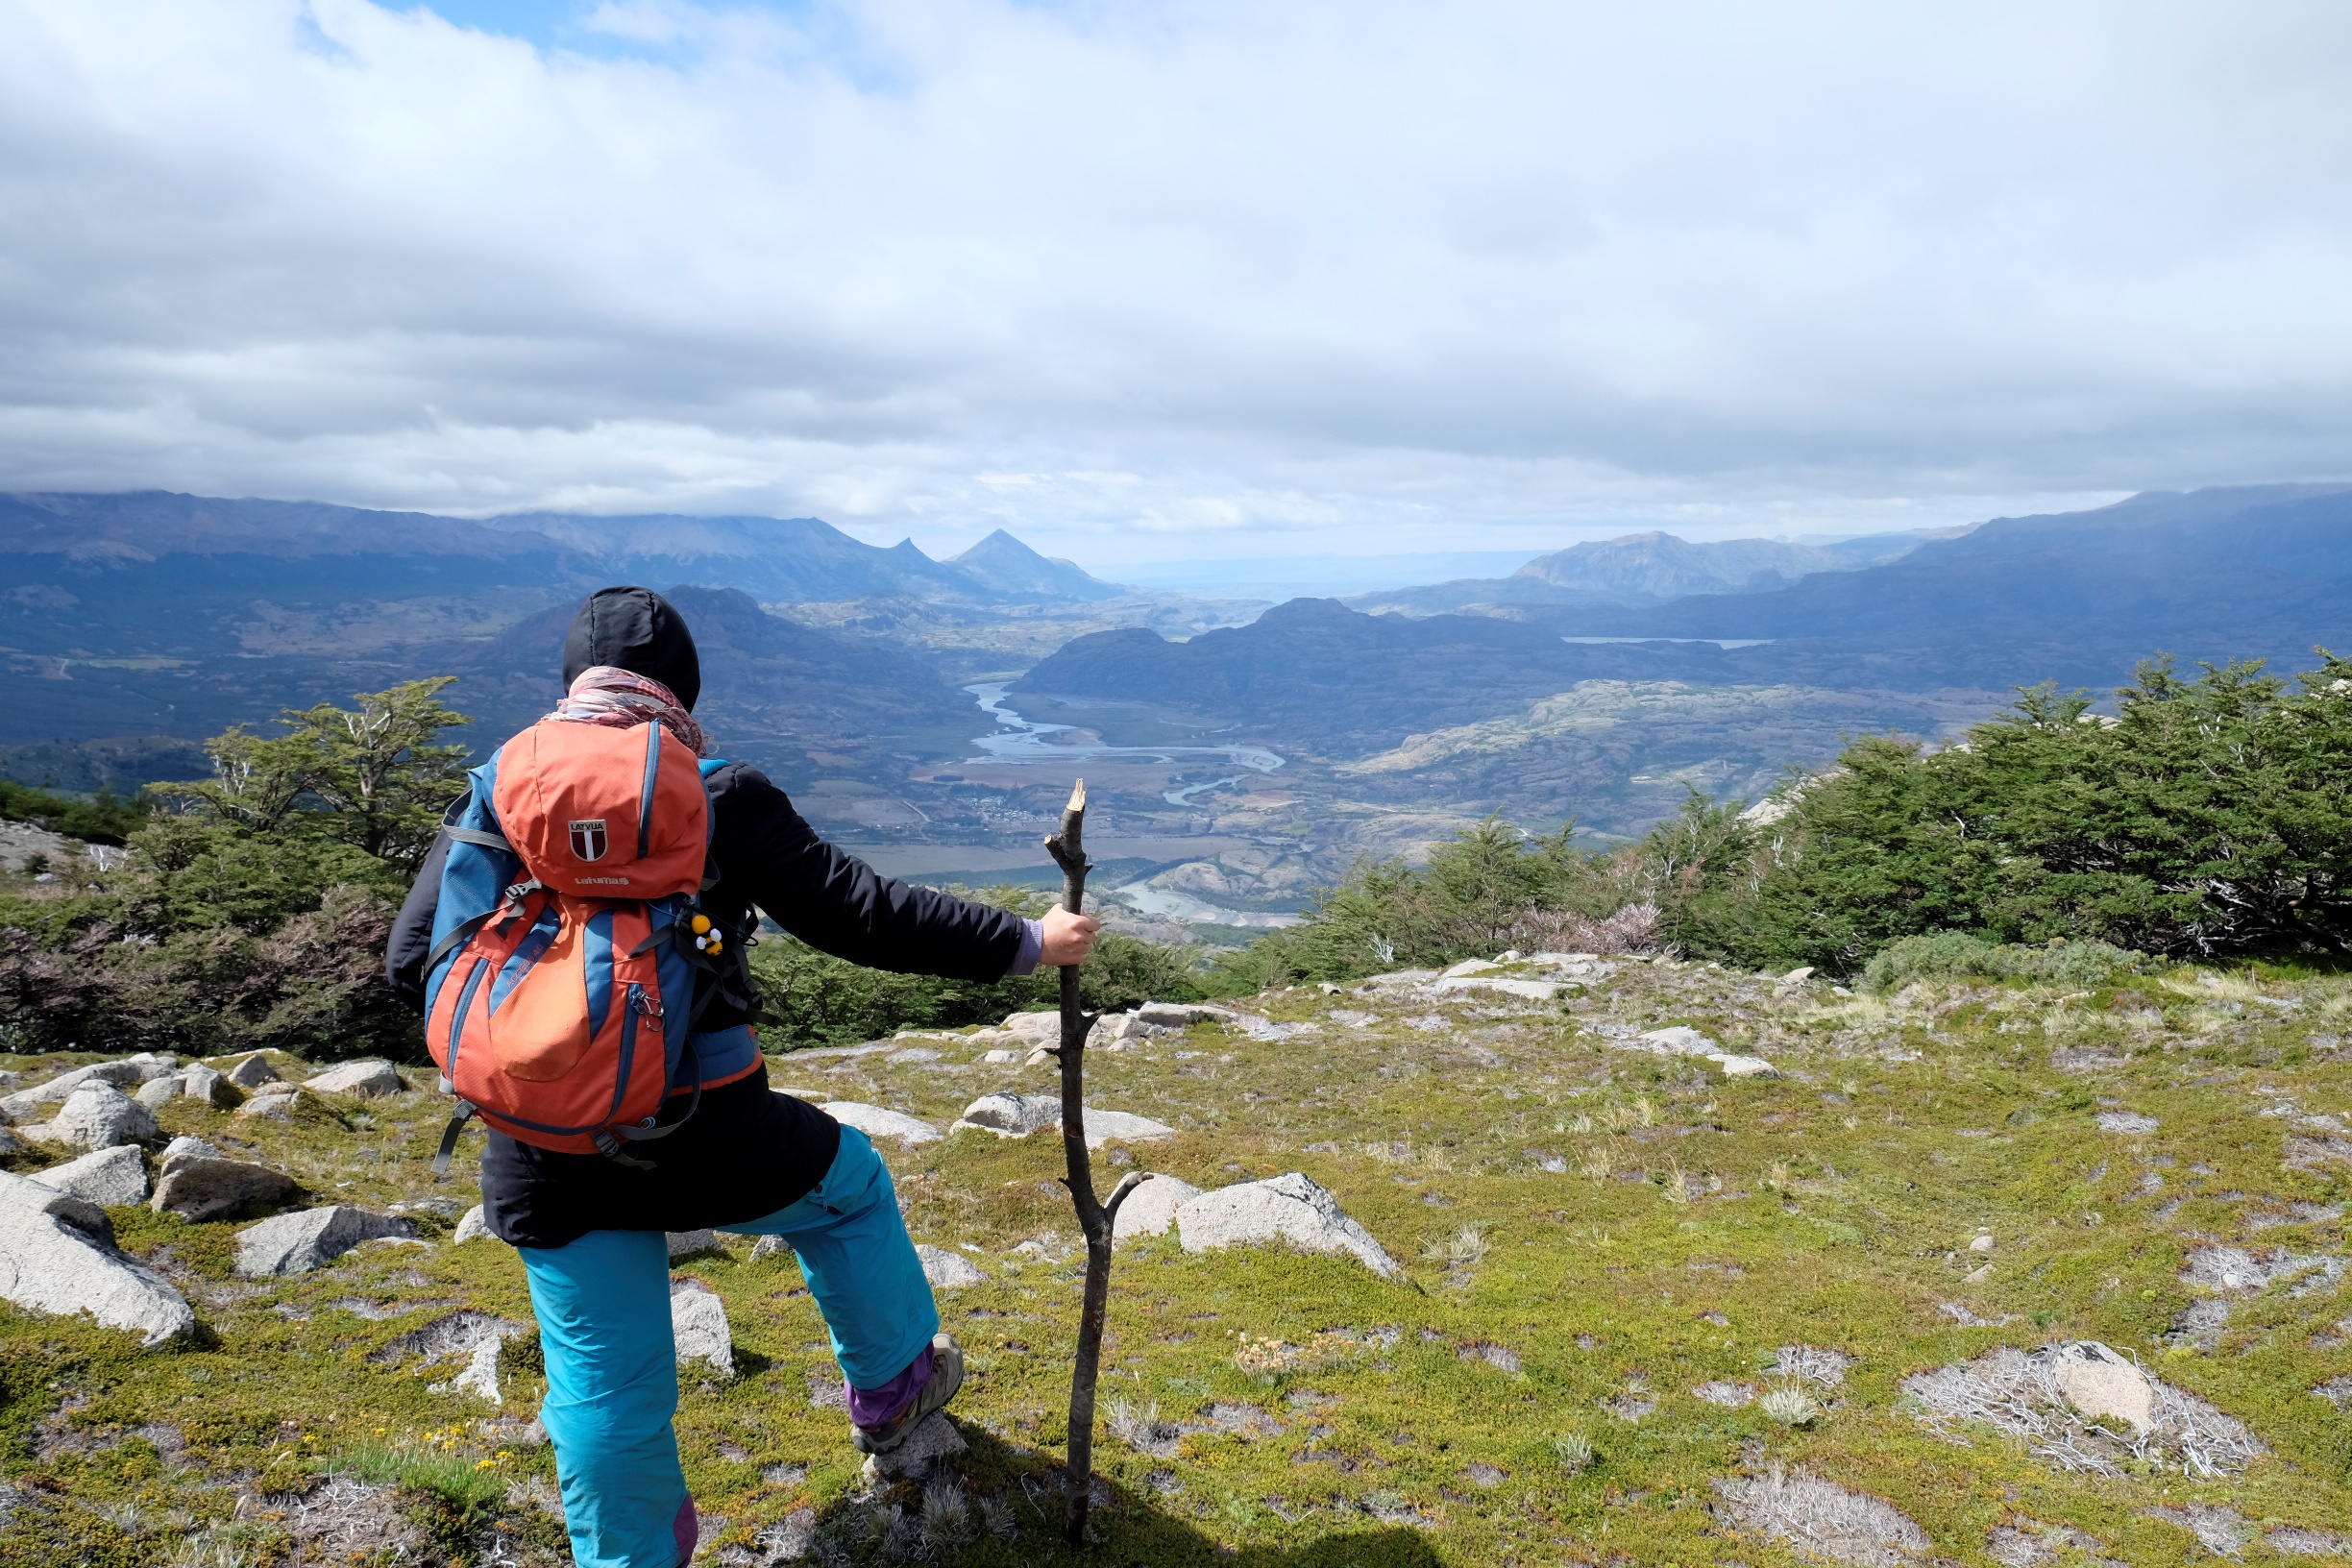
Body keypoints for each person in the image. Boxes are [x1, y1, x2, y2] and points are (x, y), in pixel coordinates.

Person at [386, 586, 1098, 1568]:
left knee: (604, 1390)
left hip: (540, 1141)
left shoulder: (501, 784)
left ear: (570, 684)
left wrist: (542, 1045)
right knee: (848, 1190)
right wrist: (1026, 940)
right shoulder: (714, 789)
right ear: (681, 687)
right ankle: (893, 1395)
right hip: (704, 1131)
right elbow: (862, 913)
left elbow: (409, 955)